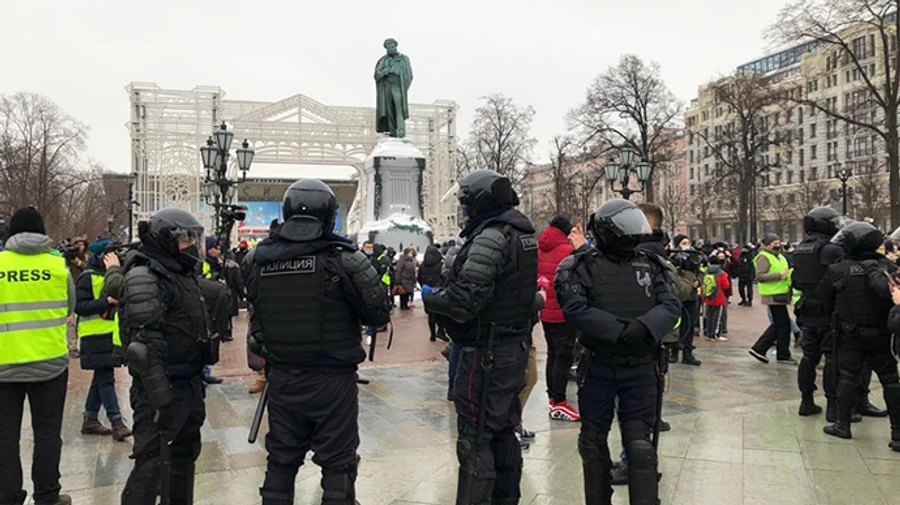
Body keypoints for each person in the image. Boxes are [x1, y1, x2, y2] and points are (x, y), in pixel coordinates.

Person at [244, 179, 391, 505]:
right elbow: (379, 311)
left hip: (283, 379)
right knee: (338, 463)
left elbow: (256, 316)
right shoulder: (346, 259)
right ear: (328, 214)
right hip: (332, 381)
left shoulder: (257, 260)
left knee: (281, 462)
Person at [555, 199, 680, 505]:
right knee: (593, 443)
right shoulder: (580, 266)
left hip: (641, 365)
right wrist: (619, 330)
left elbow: (671, 304)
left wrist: (643, 327)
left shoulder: (652, 265)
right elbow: (575, 309)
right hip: (599, 365)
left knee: (640, 445)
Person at [424, 169, 538, 505]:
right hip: (512, 346)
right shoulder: (521, 233)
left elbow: (465, 301)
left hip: (485, 353)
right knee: (503, 429)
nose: (463, 209)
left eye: (466, 202)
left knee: (475, 437)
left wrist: (431, 296)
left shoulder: (492, 236)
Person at [113, 207, 214, 504]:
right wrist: (162, 399)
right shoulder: (146, 275)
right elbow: (144, 347)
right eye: (186, 239)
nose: (191, 246)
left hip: (188, 383)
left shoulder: (181, 272)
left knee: (184, 456)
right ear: (166, 239)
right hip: (160, 390)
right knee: (152, 462)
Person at [0, 207, 75, 505]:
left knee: (5, 436)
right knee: (47, 433)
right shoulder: (58, 267)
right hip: (50, 363)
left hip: (4, 364)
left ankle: (8, 496)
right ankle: (47, 495)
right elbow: (69, 308)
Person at [821, 222, 900, 447]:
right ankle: (897, 432)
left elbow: (824, 299)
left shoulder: (838, 269)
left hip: (851, 333)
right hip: (883, 334)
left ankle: (842, 424)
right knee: (891, 381)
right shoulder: (887, 267)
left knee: (847, 377)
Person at [74, 240, 132, 441]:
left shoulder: (115, 276)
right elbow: (80, 307)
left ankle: (90, 418)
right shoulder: (87, 277)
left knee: (101, 377)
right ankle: (117, 422)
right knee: (105, 378)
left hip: (110, 335)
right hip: (94, 335)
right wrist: (106, 301)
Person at [792, 207, 845, 418]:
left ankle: (806, 401)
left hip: (807, 309)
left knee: (808, 357)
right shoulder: (831, 249)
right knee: (832, 358)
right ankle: (833, 406)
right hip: (830, 310)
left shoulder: (800, 248)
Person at [538, 216, 580, 421]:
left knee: (552, 354)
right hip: (564, 312)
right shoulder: (568, 251)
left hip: (545, 309)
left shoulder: (539, 249)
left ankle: (552, 397)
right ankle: (559, 401)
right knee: (563, 357)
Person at [749, 233, 796, 364]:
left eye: (779, 243)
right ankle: (766, 349)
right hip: (772, 294)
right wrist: (779, 275)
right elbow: (760, 276)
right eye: (774, 243)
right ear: (768, 244)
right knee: (782, 324)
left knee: (781, 324)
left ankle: (766, 349)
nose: (778, 245)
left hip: (782, 293)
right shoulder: (763, 257)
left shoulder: (780, 257)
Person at [417, 244, 447, 341]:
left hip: (427, 290)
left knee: (431, 314)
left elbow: (419, 278)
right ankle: (441, 331)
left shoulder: (422, 265)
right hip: (438, 290)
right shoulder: (441, 264)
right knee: (441, 312)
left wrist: (424, 286)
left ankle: (432, 334)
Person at [702, 255, 731, 341]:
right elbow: (726, 285)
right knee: (717, 317)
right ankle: (715, 334)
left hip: (708, 297)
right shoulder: (721, 273)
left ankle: (708, 333)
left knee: (709, 316)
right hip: (718, 298)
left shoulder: (705, 272)